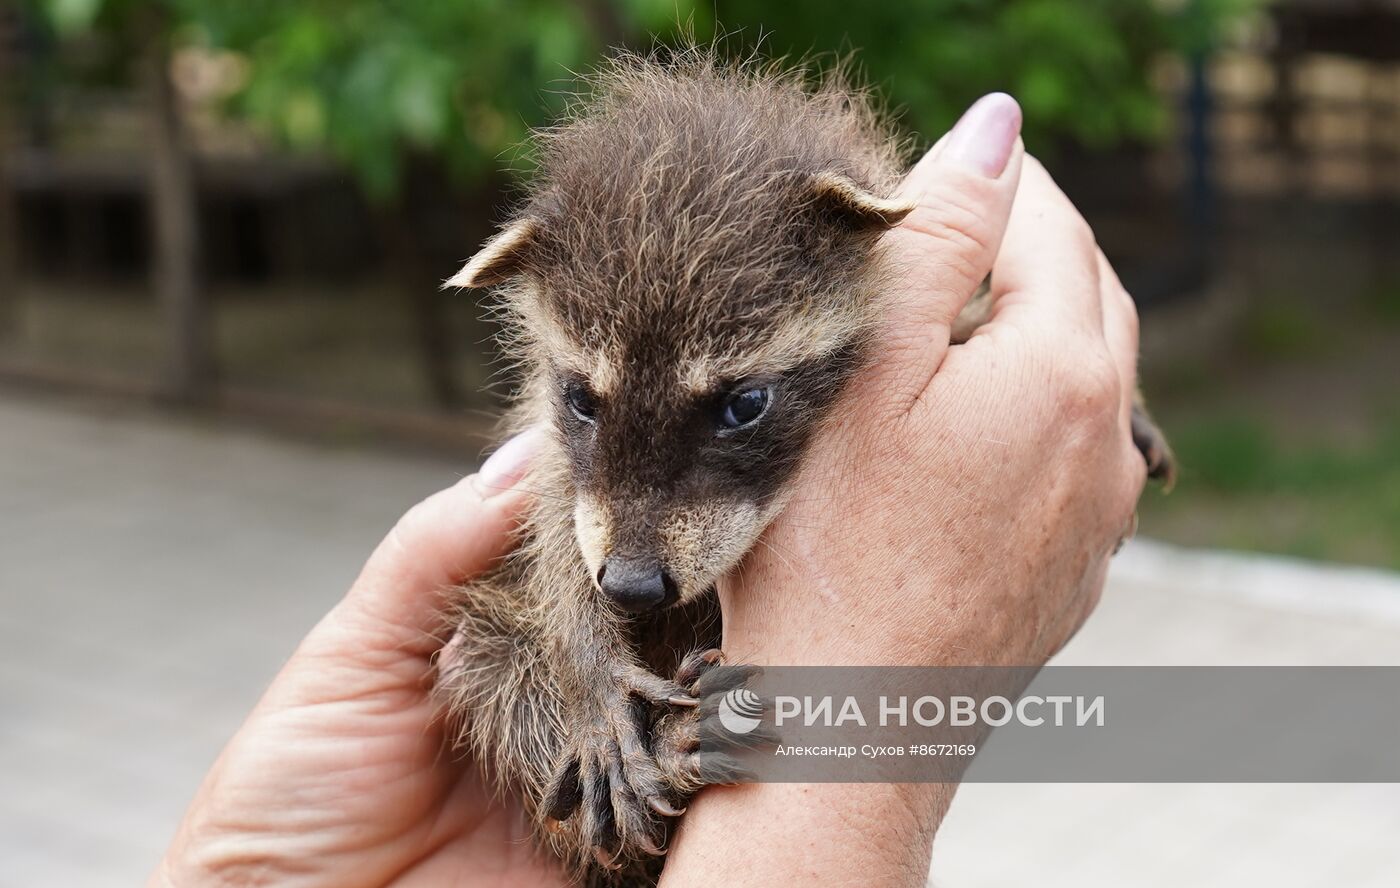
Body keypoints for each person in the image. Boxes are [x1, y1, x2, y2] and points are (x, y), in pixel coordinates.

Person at [150, 93, 1146, 888]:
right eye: (582, 400)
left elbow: (967, 359)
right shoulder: (588, 475)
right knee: (494, 647)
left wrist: (1089, 402)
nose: (632, 552)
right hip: (587, 771)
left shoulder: (864, 287)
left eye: (737, 408)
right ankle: (636, 761)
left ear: (855, 242)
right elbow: (560, 581)